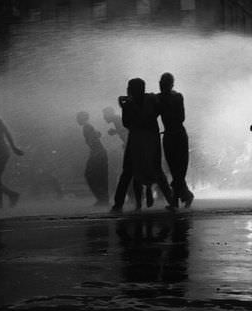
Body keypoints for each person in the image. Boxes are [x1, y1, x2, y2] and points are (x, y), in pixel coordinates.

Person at [120, 78, 176, 211]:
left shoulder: (147, 100)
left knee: (148, 169)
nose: (130, 90)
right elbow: (126, 123)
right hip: (142, 138)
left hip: (146, 138)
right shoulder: (137, 102)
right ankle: (141, 203)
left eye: (131, 88)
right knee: (137, 170)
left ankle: (163, 201)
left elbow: (127, 123)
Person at [158, 72, 194, 208]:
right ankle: (186, 195)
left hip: (177, 135)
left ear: (171, 85)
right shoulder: (161, 98)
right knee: (175, 170)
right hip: (171, 135)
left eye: (164, 84)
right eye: (161, 83)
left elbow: (181, 117)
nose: (162, 86)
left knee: (179, 170)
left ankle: (175, 201)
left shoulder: (175, 97)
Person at [76, 111, 109, 206]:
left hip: (97, 154)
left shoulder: (86, 127)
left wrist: (94, 153)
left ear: (83, 118)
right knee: (100, 176)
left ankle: (102, 198)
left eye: (78, 118)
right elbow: (96, 136)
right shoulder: (88, 126)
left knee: (91, 175)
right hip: (99, 153)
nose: (77, 120)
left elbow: (93, 140)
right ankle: (103, 198)